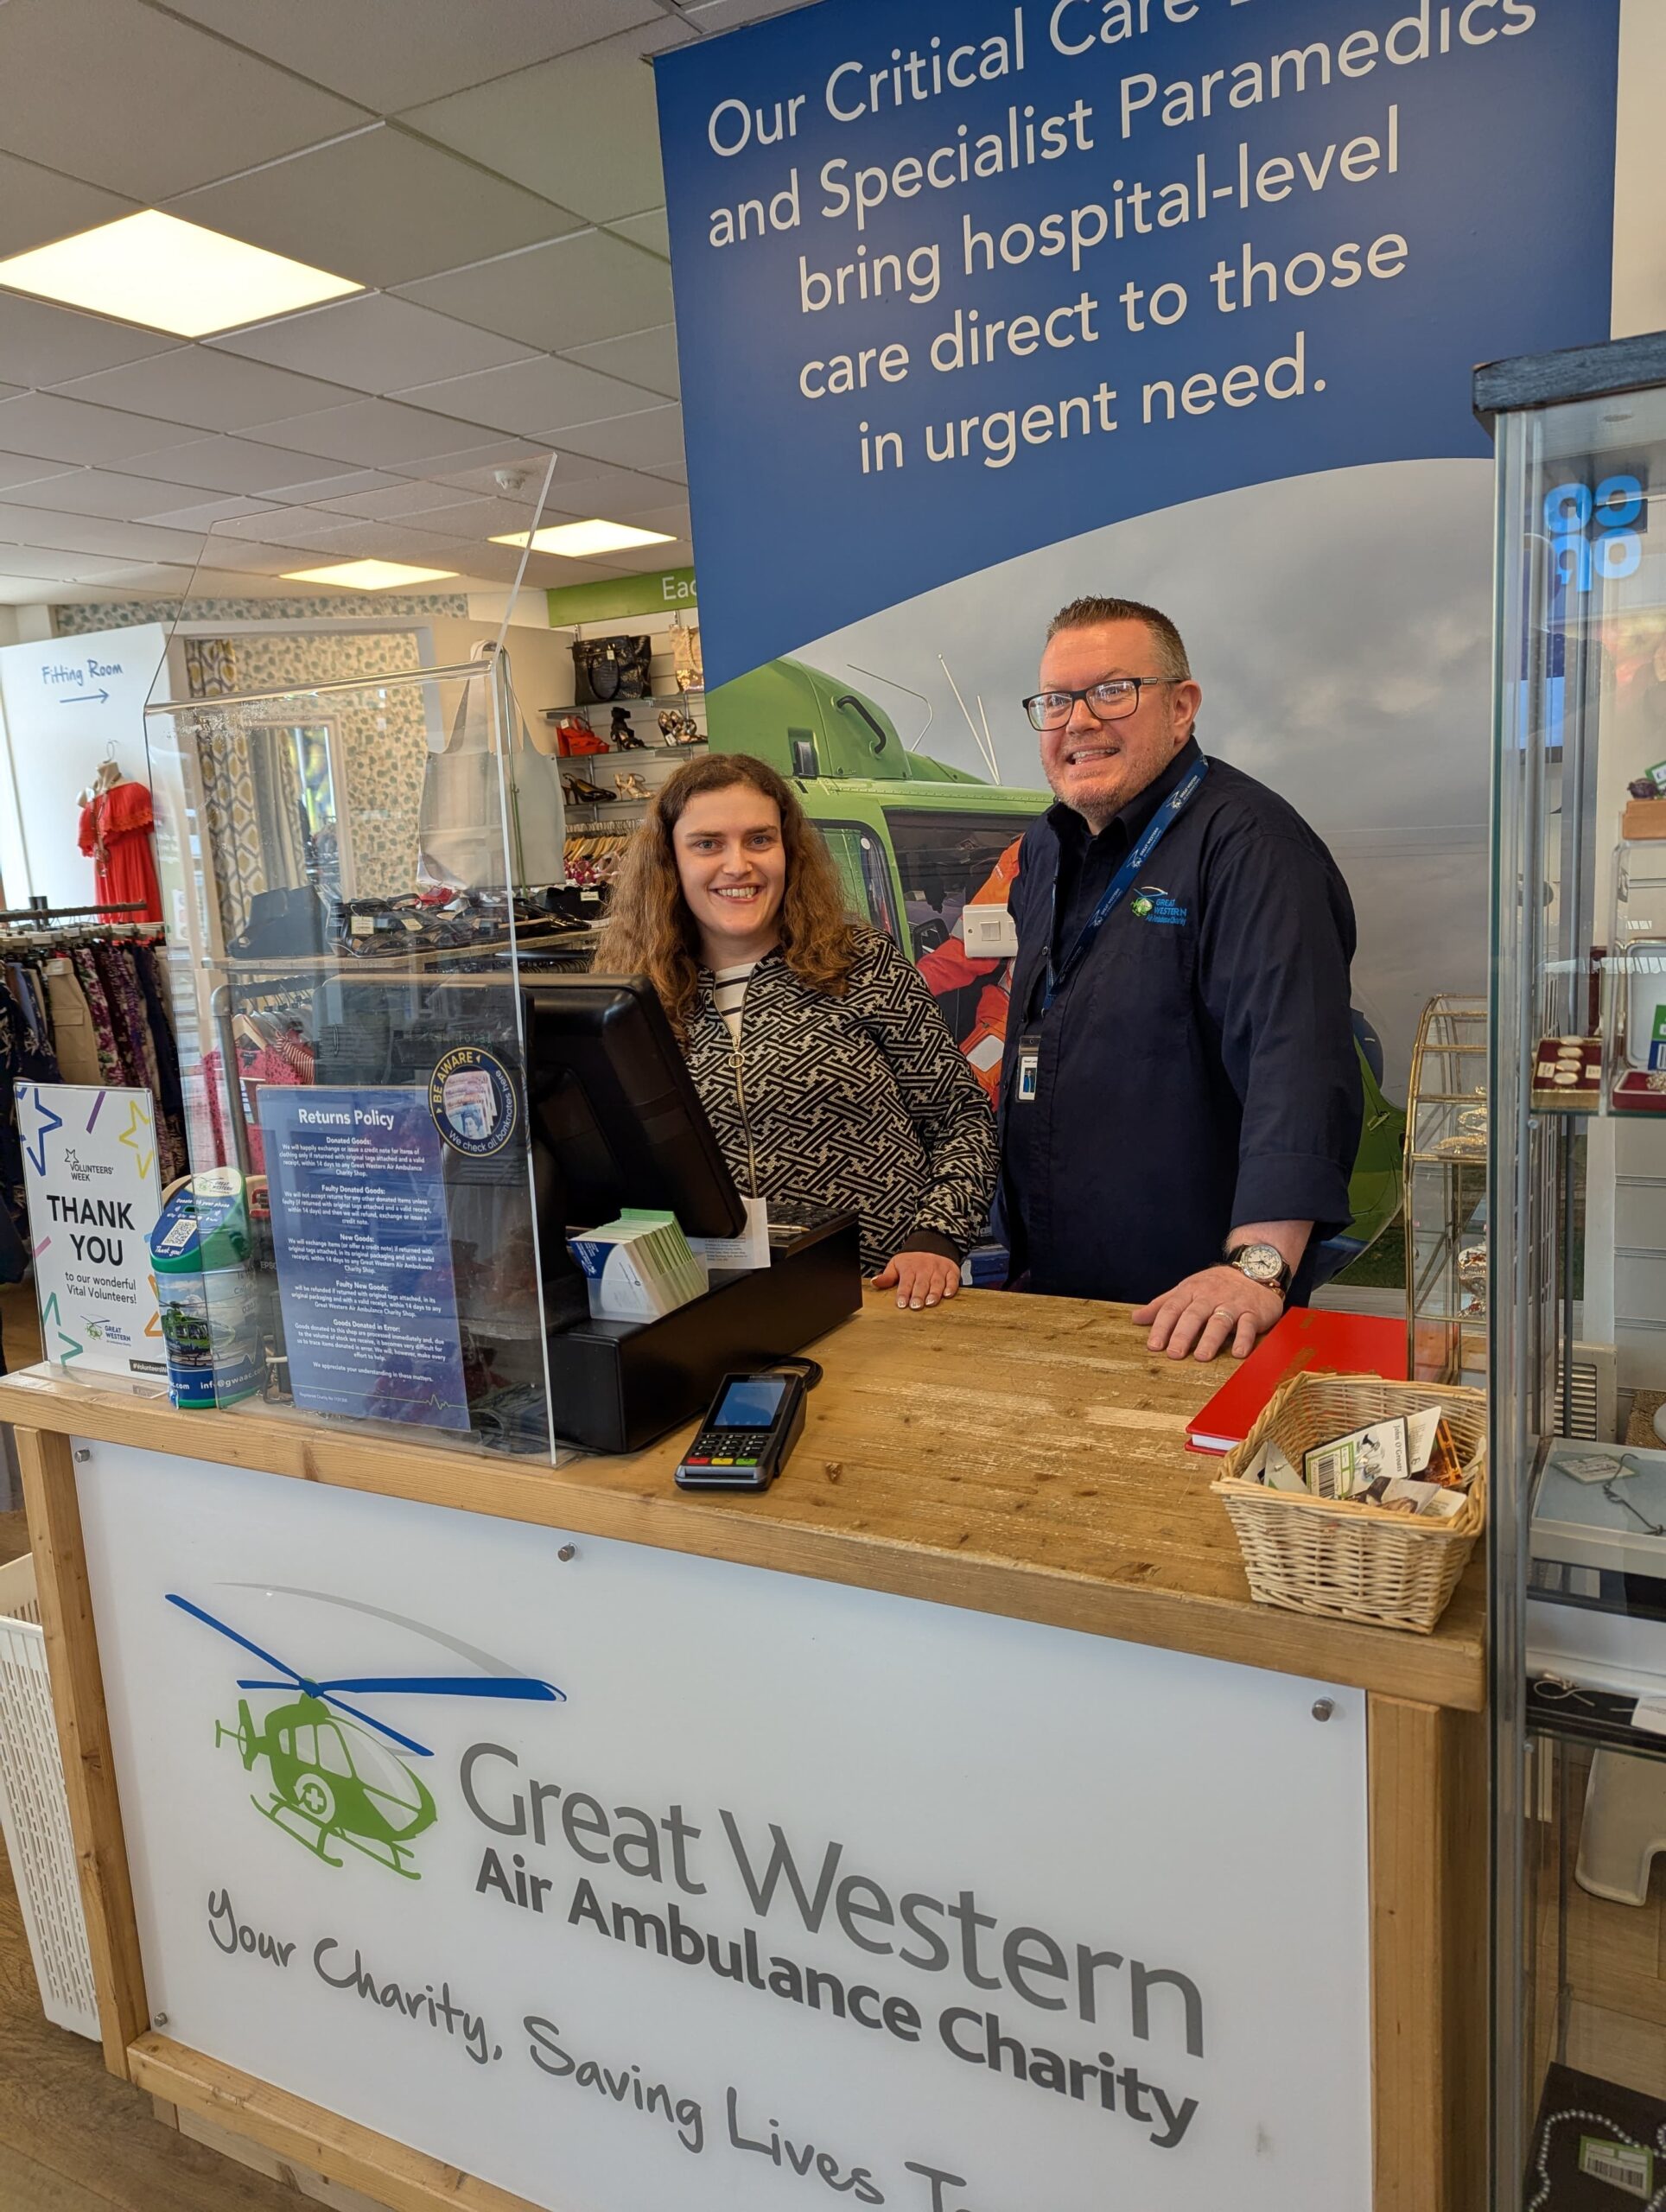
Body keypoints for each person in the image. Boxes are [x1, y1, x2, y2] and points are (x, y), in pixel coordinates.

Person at [1001, 595, 1362, 1361]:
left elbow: (1294, 1059)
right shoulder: (1045, 848)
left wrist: (1256, 1269)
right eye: (1057, 701)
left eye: (1112, 691)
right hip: (1055, 1289)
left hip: (1199, 1311)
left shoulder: (1253, 846)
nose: (1079, 722)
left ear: (1181, 708)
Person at [598, 753, 997, 1310]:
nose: (738, 865)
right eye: (707, 843)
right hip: (713, 1306)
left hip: (886, 1297)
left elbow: (965, 1119)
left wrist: (936, 1239)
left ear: (788, 850)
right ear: (670, 860)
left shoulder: (862, 965)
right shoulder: (634, 1001)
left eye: (759, 839)